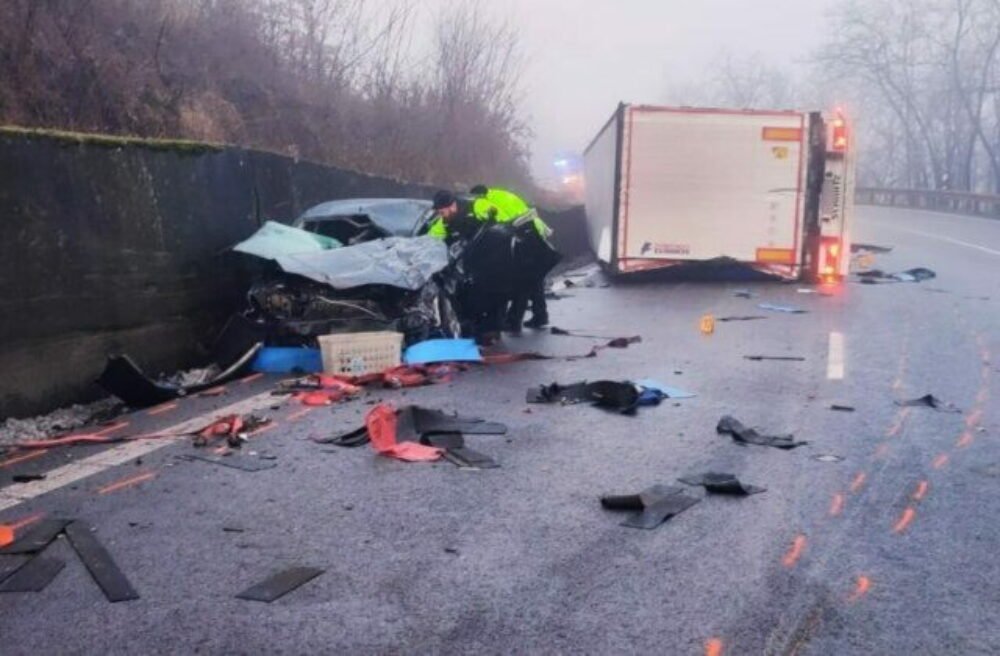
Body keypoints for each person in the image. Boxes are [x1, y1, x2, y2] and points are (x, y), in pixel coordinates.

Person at [426, 189, 510, 345]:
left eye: (442, 211)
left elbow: (500, 218)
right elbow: (433, 237)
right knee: (470, 295)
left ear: (451, 206)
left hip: (491, 256)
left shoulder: (476, 206)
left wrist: (493, 217)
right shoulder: (444, 221)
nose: (440, 214)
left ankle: (493, 330)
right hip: (470, 263)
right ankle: (475, 329)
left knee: (494, 294)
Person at [469, 185, 555, 331]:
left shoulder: (486, 202)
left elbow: (495, 222)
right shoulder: (504, 194)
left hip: (519, 240)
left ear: (479, 194)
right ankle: (540, 316)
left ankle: (514, 321)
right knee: (534, 279)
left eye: (475, 197)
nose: (475, 200)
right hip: (535, 234)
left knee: (520, 282)